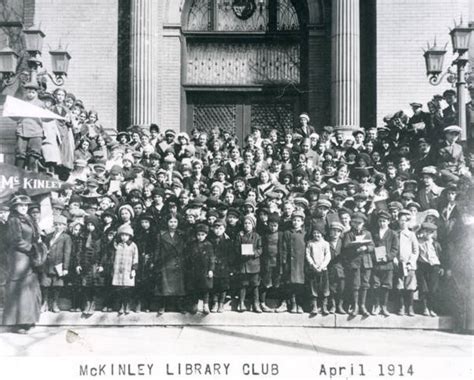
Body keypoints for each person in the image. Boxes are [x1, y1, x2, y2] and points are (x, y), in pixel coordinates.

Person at [3, 195, 42, 333]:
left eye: (26, 205)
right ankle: (19, 323)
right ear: (15, 207)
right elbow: (15, 240)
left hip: (28, 256)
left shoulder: (27, 219)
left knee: (29, 289)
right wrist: (31, 248)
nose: (24, 208)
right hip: (19, 257)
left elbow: (33, 235)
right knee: (20, 288)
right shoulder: (14, 220)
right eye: (21, 206)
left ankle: (27, 320)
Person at [342, 212, 374, 317]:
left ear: (363, 223)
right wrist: (355, 248)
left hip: (366, 262)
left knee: (365, 284)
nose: (357, 225)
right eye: (355, 223)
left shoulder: (368, 233)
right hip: (354, 261)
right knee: (356, 284)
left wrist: (366, 248)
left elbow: (372, 245)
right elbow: (345, 248)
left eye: (359, 223)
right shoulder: (349, 234)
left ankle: (363, 306)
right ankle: (355, 305)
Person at [155, 215, 186, 314]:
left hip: (177, 263)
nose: (173, 224)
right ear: (167, 223)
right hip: (165, 263)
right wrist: (156, 262)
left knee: (178, 286)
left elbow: (184, 250)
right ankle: (162, 306)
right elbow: (157, 250)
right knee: (164, 285)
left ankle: (179, 305)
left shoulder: (181, 234)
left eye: (175, 222)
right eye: (171, 222)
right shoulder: (161, 235)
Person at [40, 214, 72, 313]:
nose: (58, 227)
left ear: (64, 226)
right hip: (47, 264)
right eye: (56, 225)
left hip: (58, 265)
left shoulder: (66, 237)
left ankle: (55, 303)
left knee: (57, 285)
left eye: (60, 225)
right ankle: (44, 303)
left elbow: (67, 253)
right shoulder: (49, 236)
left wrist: (65, 267)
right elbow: (44, 248)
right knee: (45, 284)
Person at [370, 210, 399, 316]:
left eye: (384, 221)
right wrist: (375, 257)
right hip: (376, 264)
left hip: (387, 264)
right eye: (380, 221)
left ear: (388, 222)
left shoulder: (393, 234)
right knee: (376, 285)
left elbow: (395, 249)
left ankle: (384, 306)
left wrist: (387, 257)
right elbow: (371, 246)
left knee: (386, 286)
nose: (382, 223)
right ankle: (376, 305)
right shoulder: (374, 233)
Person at [14, 82, 45, 171]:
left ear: (36, 93)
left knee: (34, 155)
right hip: (22, 130)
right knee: (20, 154)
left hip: (36, 131)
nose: (30, 94)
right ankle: (18, 174)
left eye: (33, 92)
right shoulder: (21, 103)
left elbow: (45, 118)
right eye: (28, 92)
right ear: (26, 92)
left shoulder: (40, 104)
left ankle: (32, 176)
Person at [281, 210, 307, 314]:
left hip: (301, 262)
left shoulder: (305, 233)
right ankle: (293, 304)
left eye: (298, 220)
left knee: (300, 284)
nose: (296, 222)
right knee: (291, 283)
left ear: (302, 222)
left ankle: (300, 304)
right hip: (290, 262)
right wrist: (284, 260)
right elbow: (283, 248)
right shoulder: (287, 233)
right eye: (294, 220)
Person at [235, 214, 262, 313]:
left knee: (255, 285)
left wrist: (254, 253)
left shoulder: (257, 236)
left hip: (254, 264)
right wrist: (241, 252)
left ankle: (256, 303)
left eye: (249, 223)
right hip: (243, 264)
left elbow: (260, 249)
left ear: (253, 225)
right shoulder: (240, 235)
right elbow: (236, 247)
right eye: (245, 223)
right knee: (243, 284)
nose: (247, 225)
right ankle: (241, 303)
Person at [416, 222, 443, 317]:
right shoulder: (419, 242)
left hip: (434, 267)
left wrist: (441, 267)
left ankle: (431, 308)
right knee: (424, 288)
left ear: (433, 233)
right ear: (423, 232)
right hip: (422, 266)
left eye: (430, 232)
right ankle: (424, 308)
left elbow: (441, 256)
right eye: (426, 232)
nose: (428, 234)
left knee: (433, 289)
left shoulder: (436, 244)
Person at [396, 210, 419, 316]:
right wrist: (394, 259)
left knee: (410, 286)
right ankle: (401, 306)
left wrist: (411, 261)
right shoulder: (395, 234)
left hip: (409, 265)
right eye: (401, 220)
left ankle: (410, 307)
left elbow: (415, 250)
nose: (403, 222)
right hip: (398, 263)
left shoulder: (411, 235)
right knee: (399, 286)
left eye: (405, 221)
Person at [259, 212, 284, 313]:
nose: (273, 228)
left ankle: (277, 303)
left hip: (278, 263)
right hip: (267, 262)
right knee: (265, 283)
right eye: (271, 225)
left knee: (277, 282)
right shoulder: (265, 235)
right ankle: (262, 302)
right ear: (268, 225)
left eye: (275, 225)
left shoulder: (281, 235)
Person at [188, 223, 215, 314]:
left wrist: (211, 269)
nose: (200, 237)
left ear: (206, 235)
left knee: (205, 288)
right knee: (195, 288)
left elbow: (212, 258)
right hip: (194, 270)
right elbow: (189, 257)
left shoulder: (209, 245)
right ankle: (194, 304)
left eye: (202, 235)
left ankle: (205, 305)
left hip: (205, 269)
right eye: (198, 235)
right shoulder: (192, 244)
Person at [112, 224, 138, 315]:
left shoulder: (133, 245)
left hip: (128, 270)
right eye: (122, 235)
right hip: (118, 271)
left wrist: (134, 269)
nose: (124, 237)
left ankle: (127, 305)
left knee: (127, 289)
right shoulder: (117, 245)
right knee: (120, 289)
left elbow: (135, 258)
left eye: (126, 235)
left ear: (130, 236)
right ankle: (121, 306)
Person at [306, 224, 331, 315]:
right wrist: (313, 265)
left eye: (318, 233)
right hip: (313, 269)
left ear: (322, 234)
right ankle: (314, 306)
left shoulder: (325, 244)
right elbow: (308, 255)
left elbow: (328, 256)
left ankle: (324, 306)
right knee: (313, 287)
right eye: (314, 233)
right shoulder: (310, 243)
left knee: (325, 288)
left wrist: (322, 266)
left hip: (323, 269)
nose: (316, 235)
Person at [327, 221, 347, 314]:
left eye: (338, 231)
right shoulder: (326, 242)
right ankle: (333, 305)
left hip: (341, 269)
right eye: (333, 231)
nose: (335, 233)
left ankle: (340, 305)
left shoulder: (343, 242)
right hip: (330, 268)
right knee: (332, 288)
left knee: (341, 288)